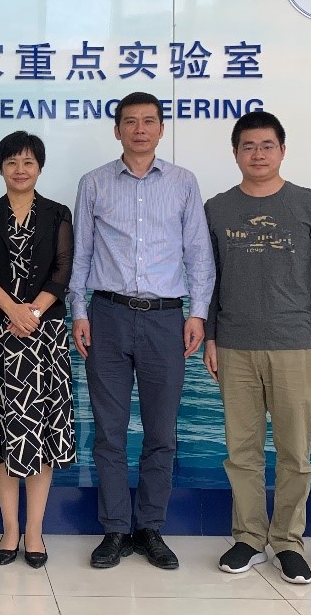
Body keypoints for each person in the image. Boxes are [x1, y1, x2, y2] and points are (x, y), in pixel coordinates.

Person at [68, 91, 215, 571]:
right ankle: (114, 529)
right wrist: (79, 311)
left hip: (165, 318)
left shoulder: (183, 182)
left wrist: (198, 314)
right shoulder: (94, 183)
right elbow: (81, 254)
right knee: (109, 432)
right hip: (107, 316)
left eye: (149, 121)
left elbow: (198, 253)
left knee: (161, 432)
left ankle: (150, 527)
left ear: (161, 128)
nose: (139, 130)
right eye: (130, 122)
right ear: (117, 130)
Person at [203, 111, 311, 585]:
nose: (257, 154)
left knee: (295, 452)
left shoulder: (309, 204)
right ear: (235, 153)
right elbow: (208, 279)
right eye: (248, 146)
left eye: (266, 146)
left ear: (282, 150)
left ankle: (287, 542)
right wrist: (212, 337)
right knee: (241, 451)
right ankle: (248, 537)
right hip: (235, 345)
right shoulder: (218, 208)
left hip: (296, 344)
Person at [0, 131, 75, 569]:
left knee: (39, 433)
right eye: (12, 162)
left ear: (39, 167)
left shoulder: (57, 213)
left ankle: (34, 532)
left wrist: (33, 313)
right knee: (1, 433)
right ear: (1, 168)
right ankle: (10, 529)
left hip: (44, 336)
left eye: (28, 162)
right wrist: (13, 310)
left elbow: (63, 271)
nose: (20, 169)